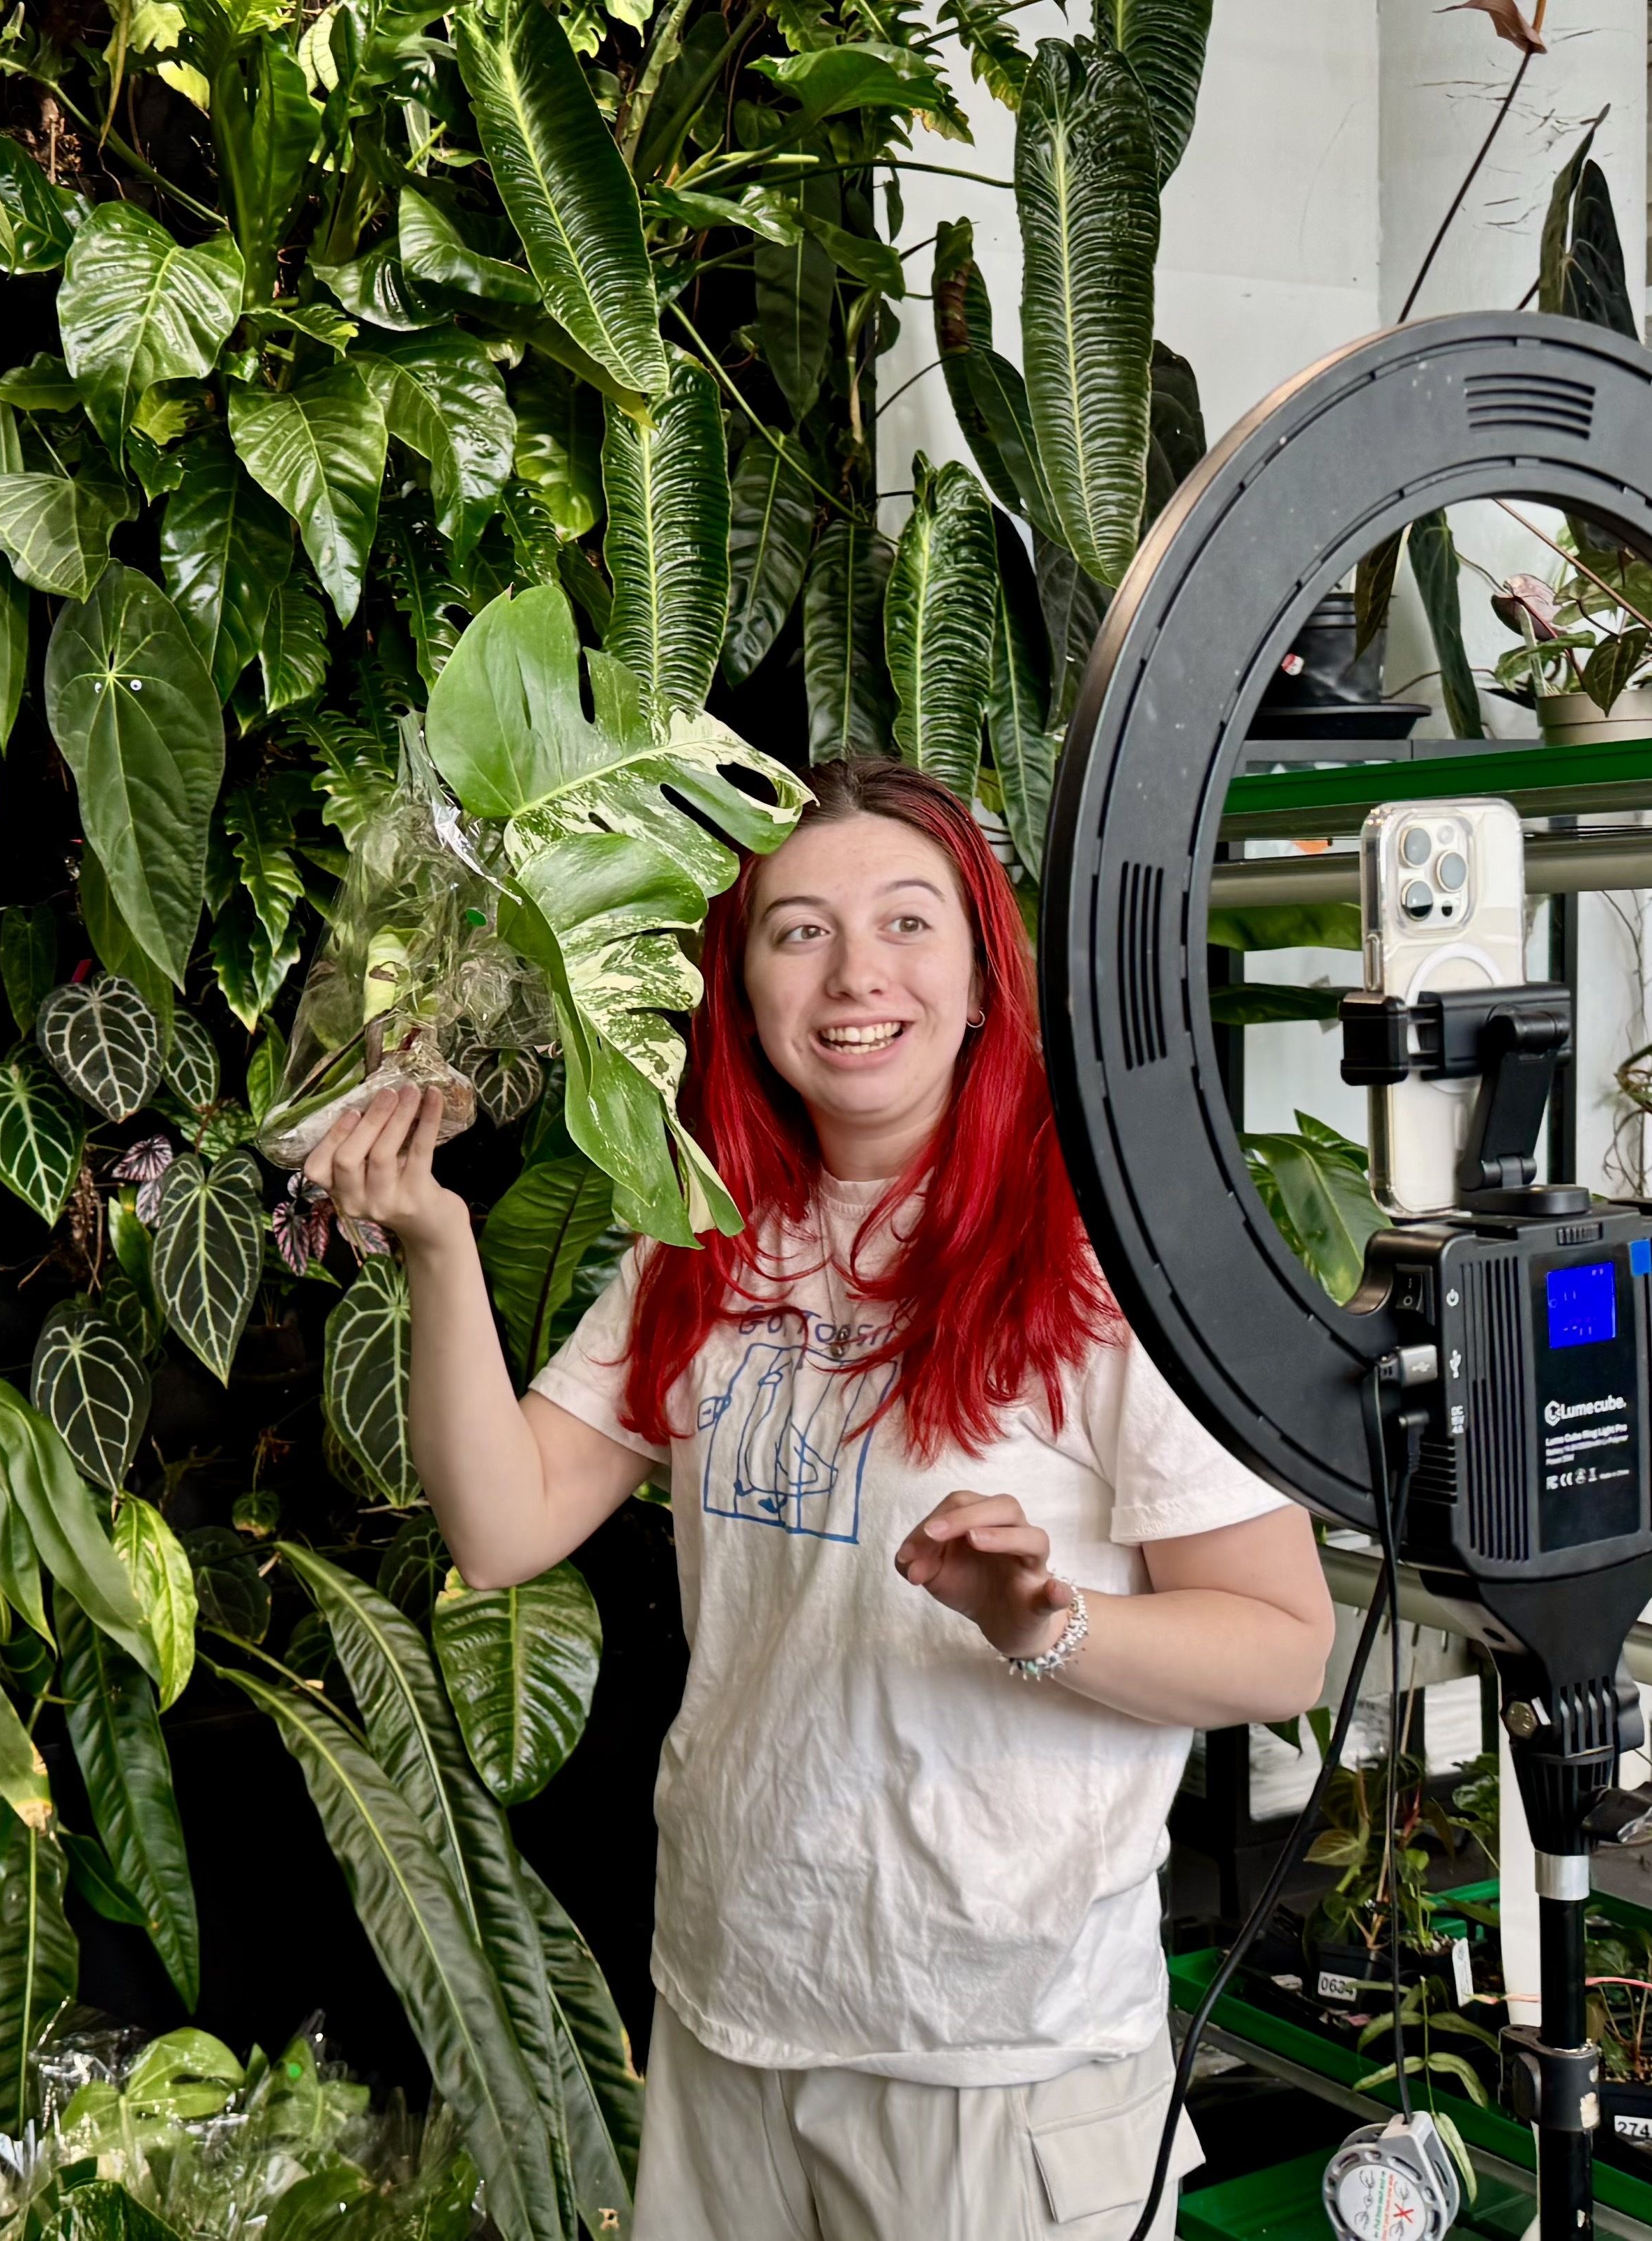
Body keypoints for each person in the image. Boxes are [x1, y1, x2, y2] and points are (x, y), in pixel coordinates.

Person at [301, 757, 1336, 2241]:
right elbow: (504, 1520)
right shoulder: (709, 1236)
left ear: (985, 975)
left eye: (909, 922)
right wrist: (438, 1251)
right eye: (799, 931)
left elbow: (1286, 1642)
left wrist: (1047, 1622)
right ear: (745, 985)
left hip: (995, 2068)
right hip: (733, 2016)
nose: (857, 973)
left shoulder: (1111, 1260)